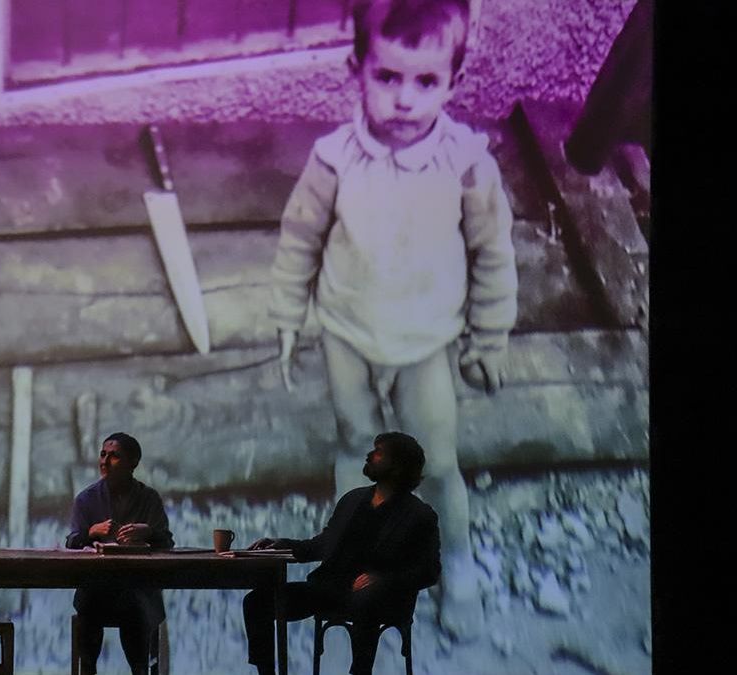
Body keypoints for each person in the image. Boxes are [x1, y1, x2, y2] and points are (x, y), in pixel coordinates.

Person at [270, 0, 516, 639]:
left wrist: (488, 336)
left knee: (434, 461)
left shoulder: (465, 163)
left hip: (424, 340)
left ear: (453, 82)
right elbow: (300, 237)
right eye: (388, 77)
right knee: (355, 447)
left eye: (426, 81)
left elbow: (492, 252)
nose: (405, 99)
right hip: (347, 330)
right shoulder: (334, 159)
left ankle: (455, 561)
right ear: (358, 70)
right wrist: (288, 314)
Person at [243, 432, 439, 675]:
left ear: (397, 467)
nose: (369, 455)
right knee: (256, 602)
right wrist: (281, 544)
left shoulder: (419, 515)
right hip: (330, 589)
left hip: (383, 598)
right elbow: (324, 544)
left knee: (366, 599)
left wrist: (383, 579)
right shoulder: (353, 500)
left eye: (378, 453)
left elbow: (429, 571)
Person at [66, 432, 174, 675]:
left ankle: (140, 669)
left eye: (114, 456)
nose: (105, 461)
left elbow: (167, 542)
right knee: (89, 606)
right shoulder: (87, 499)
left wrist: (147, 532)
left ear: (132, 463)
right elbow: (72, 542)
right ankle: (89, 669)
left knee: (135, 607)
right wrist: (91, 531)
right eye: (103, 454)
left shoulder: (148, 498)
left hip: (138, 589)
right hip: (98, 588)